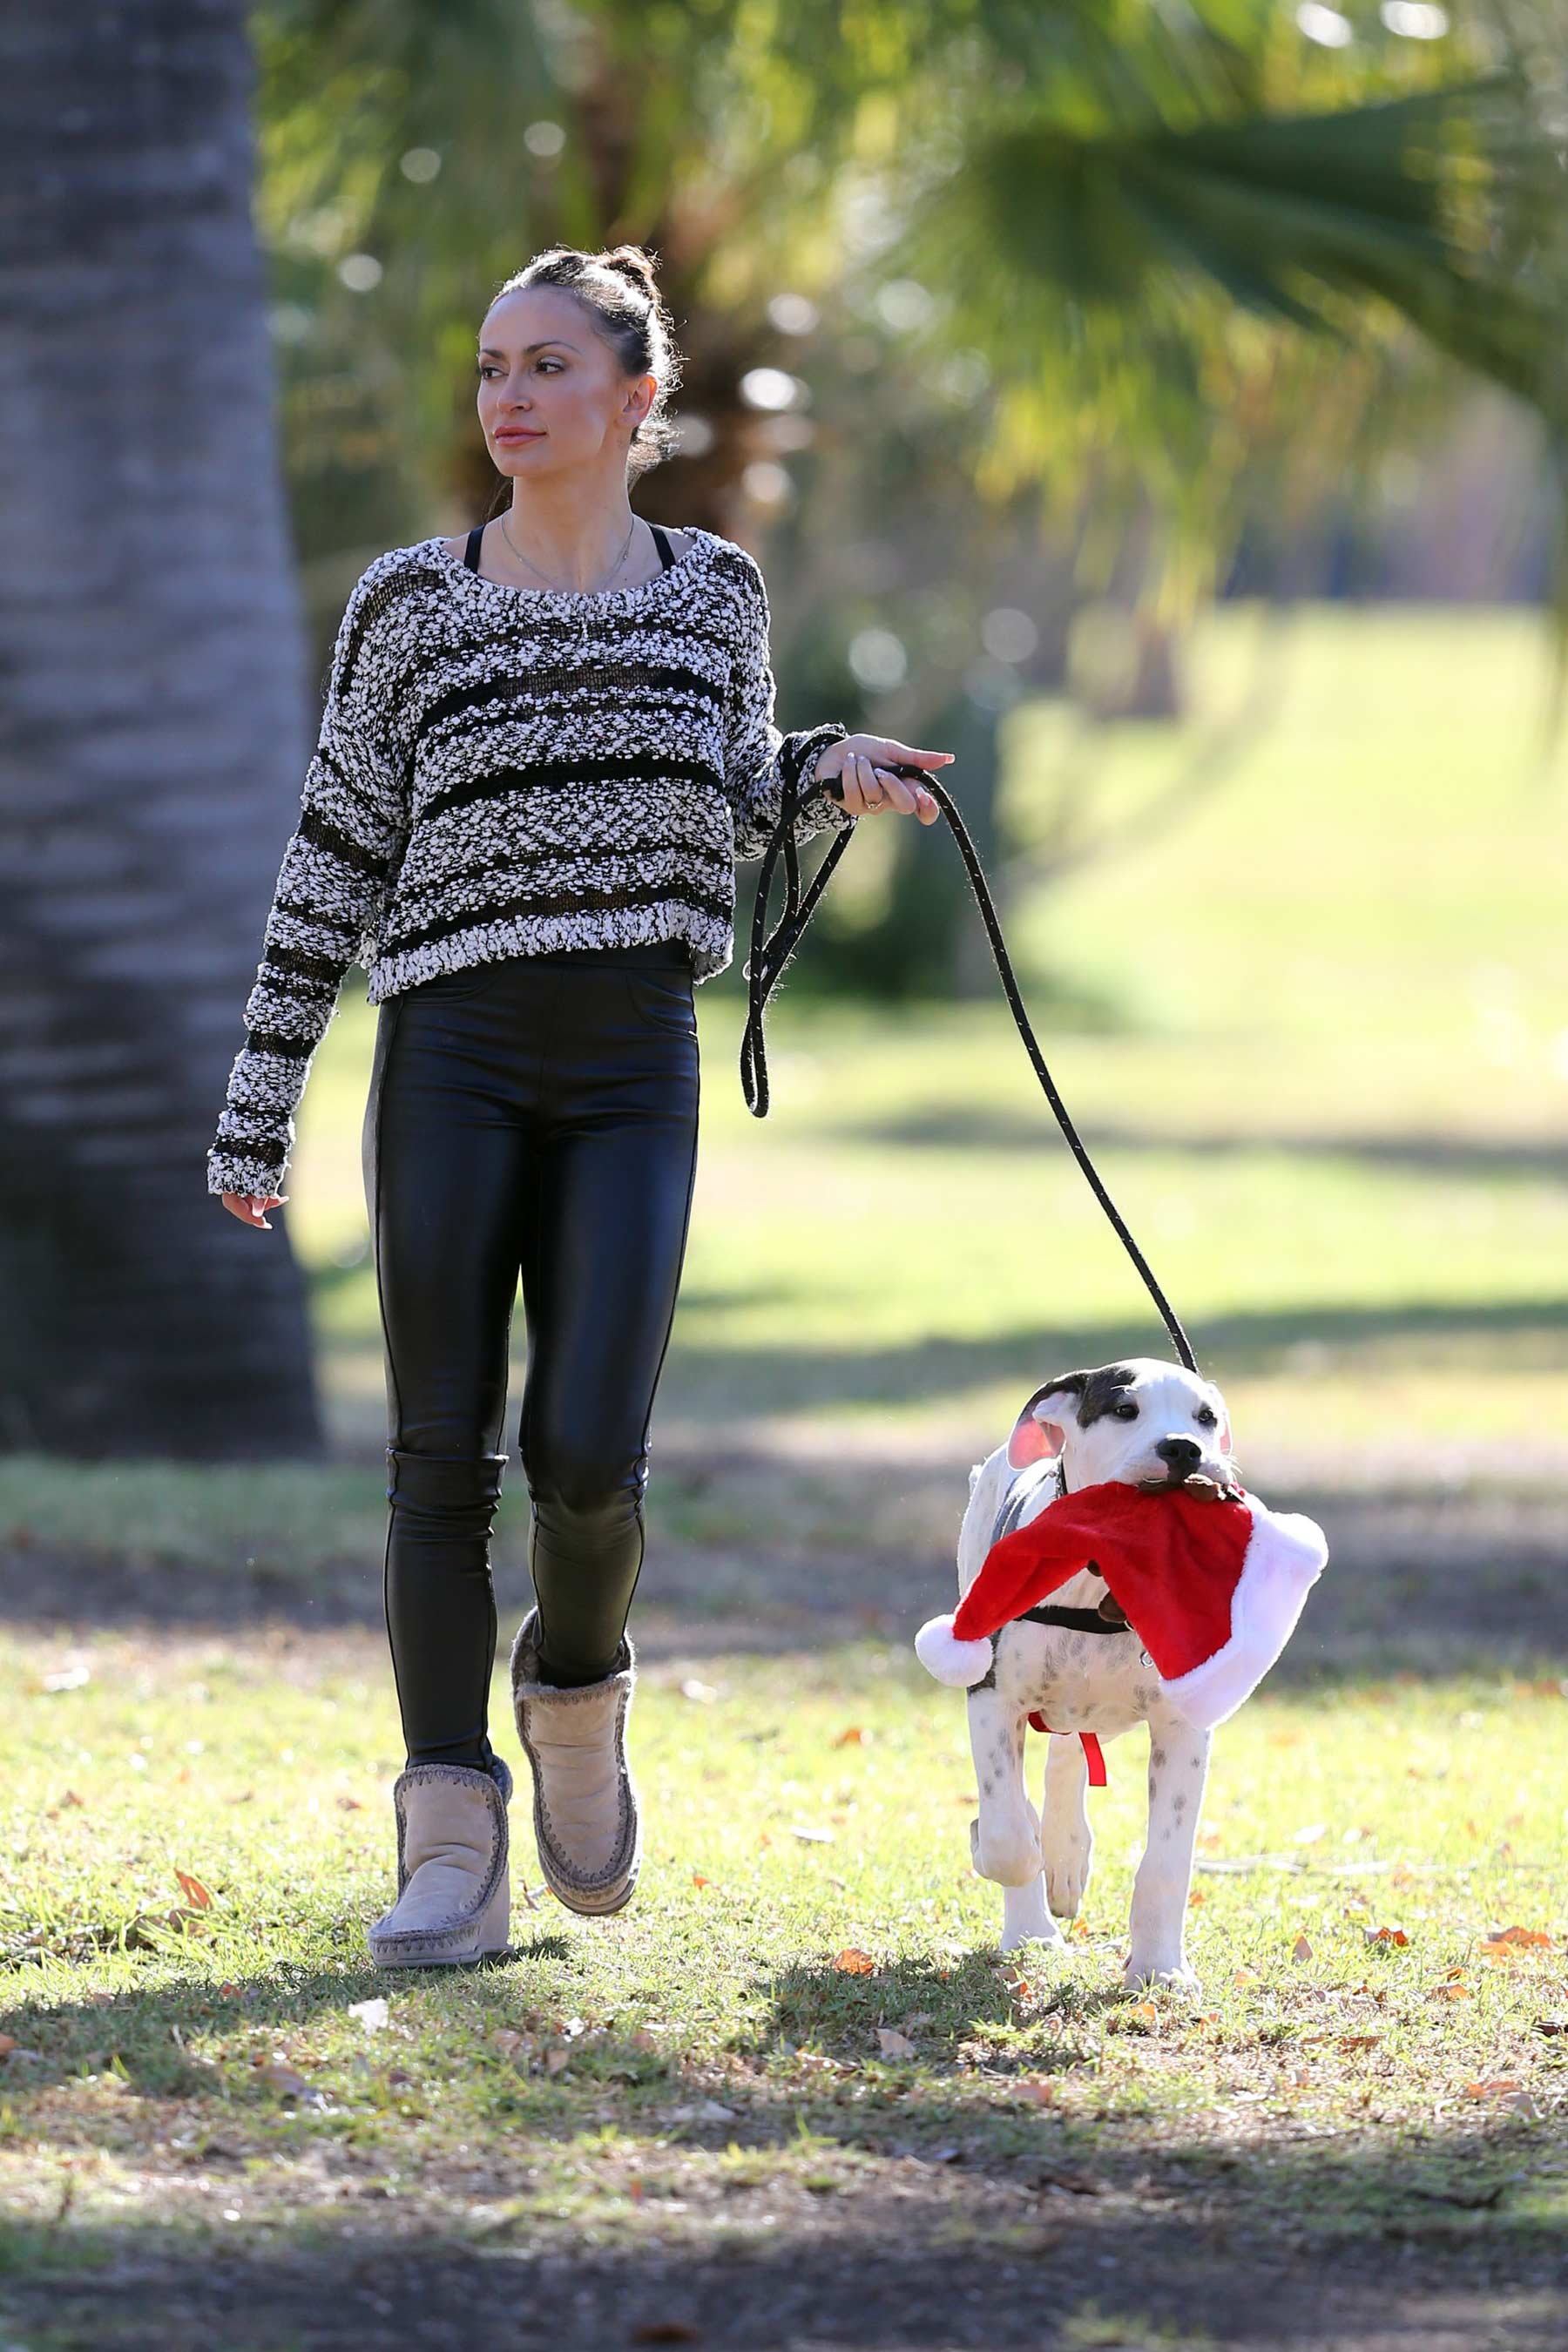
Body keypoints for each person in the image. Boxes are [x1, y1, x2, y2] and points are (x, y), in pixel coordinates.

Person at [207, 242, 953, 1968]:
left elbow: (732, 802)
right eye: (490, 368)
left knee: (591, 1461)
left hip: (633, 1063)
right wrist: (261, 1095)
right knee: (436, 1459)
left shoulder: (715, 593)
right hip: (452, 1054)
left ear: (634, 399)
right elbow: (335, 855)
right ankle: (449, 1832)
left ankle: (573, 1691)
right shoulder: (410, 602)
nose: (510, 398)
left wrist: (827, 772)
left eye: (547, 366)